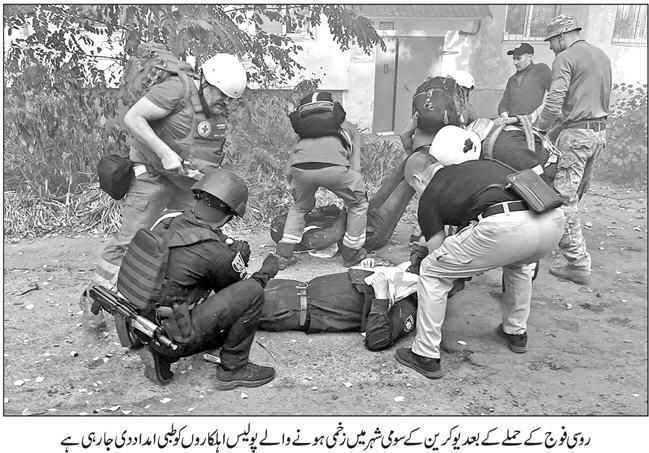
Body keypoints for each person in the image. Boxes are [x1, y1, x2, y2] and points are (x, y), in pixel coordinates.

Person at [82, 53, 249, 328]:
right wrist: (165, 152)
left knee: (194, 238)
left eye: (230, 99)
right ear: (207, 82)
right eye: (222, 95)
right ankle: (93, 300)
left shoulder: (214, 109)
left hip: (186, 184)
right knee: (132, 239)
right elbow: (133, 118)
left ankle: (173, 304)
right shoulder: (176, 89)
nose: (225, 102)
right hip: (152, 175)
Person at [394, 144, 566, 379]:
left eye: (413, 187)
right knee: (519, 264)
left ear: (417, 179)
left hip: (503, 224)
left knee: (432, 271)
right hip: (551, 219)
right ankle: (516, 332)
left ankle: (425, 354)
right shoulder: (476, 167)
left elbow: (438, 251)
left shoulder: (430, 195)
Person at [117, 168, 280, 389]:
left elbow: (196, 250)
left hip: (142, 321)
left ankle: (159, 350)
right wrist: (264, 271)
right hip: (174, 335)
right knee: (253, 293)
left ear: (199, 196)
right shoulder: (215, 253)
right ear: (229, 214)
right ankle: (234, 368)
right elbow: (238, 290)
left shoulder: (169, 219)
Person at [536, 14, 612, 285]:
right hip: (598, 133)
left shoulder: (565, 58)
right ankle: (561, 243)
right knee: (575, 194)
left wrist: (540, 129)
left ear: (562, 36)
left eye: (551, 41)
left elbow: (555, 101)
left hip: (576, 136)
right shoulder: (602, 56)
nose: (551, 47)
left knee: (563, 199)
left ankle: (578, 263)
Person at [275, 91, 369, 269]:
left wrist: (294, 187)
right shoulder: (347, 127)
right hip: (335, 170)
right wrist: (355, 191)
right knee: (358, 204)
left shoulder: (304, 131)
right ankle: (351, 253)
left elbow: (290, 165)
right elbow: (355, 166)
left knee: (299, 207)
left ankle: (283, 255)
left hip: (300, 170)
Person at [259, 258, 418, 351]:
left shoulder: (407, 305)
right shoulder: (406, 279)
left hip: (291, 308)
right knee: (246, 288)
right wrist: (366, 270)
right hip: (293, 287)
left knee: (244, 305)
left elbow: (378, 341)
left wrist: (381, 296)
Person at [498, 43, 552, 119]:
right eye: (514, 59)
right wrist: (505, 118)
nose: (515, 63)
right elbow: (503, 104)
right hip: (512, 122)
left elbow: (555, 94)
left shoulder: (540, 70)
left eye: (519, 58)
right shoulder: (512, 80)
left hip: (531, 122)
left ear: (530, 57)